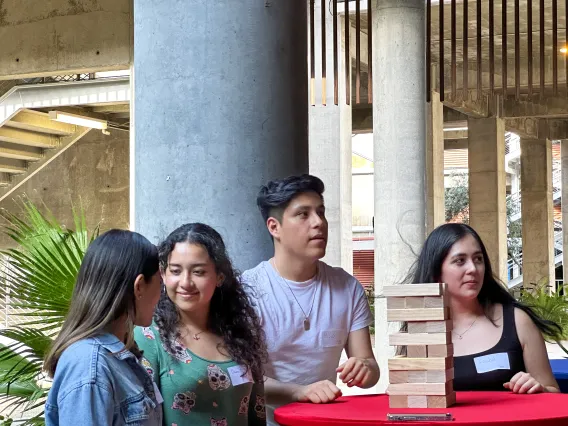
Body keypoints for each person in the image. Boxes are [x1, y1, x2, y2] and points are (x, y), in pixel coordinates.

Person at [243, 174, 379, 425]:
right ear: (274, 227)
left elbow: (370, 368)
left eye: (321, 212)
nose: (319, 222)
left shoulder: (347, 287)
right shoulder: (248, 291)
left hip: (324, 420)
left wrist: (363, 368)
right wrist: (298, 391)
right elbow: (242, 380)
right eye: (303, 214)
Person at [135, 223, 267, 426]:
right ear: (163, 274)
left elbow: (256, 409)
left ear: (220, 276)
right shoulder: (149, 337)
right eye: (176, 271)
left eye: (198, 272)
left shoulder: (240, 333)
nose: (186, 282)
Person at [407, 223, 560, 393]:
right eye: (460, 261)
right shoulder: (420, 331)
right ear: (436, 272)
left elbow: (554, 393)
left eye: (478, 259)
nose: (473, 269)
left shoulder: (518, 321)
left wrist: (540, 390)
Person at [44, 229, 163, 425]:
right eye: (160, 283)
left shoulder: (115, 355)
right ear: (139, 286)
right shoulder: (89, 366)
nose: (161, 295)